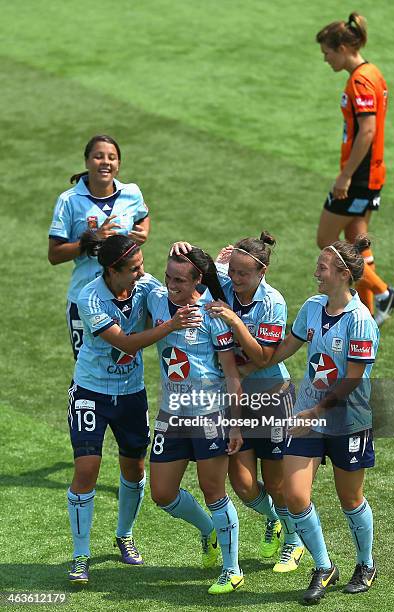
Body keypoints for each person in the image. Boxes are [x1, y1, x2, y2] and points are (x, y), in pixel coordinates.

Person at [66, 232, 200, 585]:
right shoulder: (90, 297)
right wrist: (170, 326)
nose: (142, 273)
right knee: (86, 469)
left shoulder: (144, 285)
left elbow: (183, 289)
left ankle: (124, 535)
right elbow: (124, 342)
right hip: (91, 391)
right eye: (135, 268)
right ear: (114, 270)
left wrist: (192, 257)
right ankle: (80, 557)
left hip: (131, 394)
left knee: (134, 468)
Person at [172, 235, 304, 574]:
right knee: (244, 485)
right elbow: (189, 272)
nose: (236, 279)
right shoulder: (224, 279)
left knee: (275, 484)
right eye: (232, 271)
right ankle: (277, 522)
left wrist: (234, 321)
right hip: (234, 396)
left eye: (244, 273)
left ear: (263, 271)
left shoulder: (273, 302)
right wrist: (183, 246)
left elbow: (263, 356)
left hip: (270, 395)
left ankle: (294, 540)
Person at [270, 236, 379, 605]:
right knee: (294, 495)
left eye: (322, 267)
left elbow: (351, 379)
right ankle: (324, 566)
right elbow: (284, 349)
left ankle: (365, 564)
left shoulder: (360, 320)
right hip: (308, 416)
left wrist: (315, 413)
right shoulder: (313, 307)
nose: (315, 272)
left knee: (350, 499)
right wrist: (246, 358)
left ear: (343, 274)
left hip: (347, 420)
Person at [148, 246, 244, 595]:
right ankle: (208, 530)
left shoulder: (213, 314)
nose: (171, 285)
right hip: (171, 413)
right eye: (167, 277)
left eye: (178, 280)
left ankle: (232, 570)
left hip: (208, 413)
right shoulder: (156, 299)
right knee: (161, 493)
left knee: (213, 491)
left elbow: (232, 373)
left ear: (197, 281)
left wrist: (235, 423)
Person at [316, 12, 394, 325]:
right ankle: (365, 313)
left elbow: (367, 131)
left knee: (325, 239)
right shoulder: (373, 73)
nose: (326, 59)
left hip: (360, 177)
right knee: (356, 243)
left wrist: (345, 176)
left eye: (327, 52)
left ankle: (383, 292)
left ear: (342, 48)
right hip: (371, 174)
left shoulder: (360, 81)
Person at [48, 134, 150, 359]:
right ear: (86, 162)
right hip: (84, 298)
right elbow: (54, 254)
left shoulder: (131, 193)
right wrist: (92, 239)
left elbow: (143, 215)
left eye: (112, 157)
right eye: (98, 157)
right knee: (86, 363)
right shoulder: (69, 201)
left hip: (126, 296)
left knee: (125, 361)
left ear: (118, 164)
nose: (105, 162)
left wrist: (143, 233)